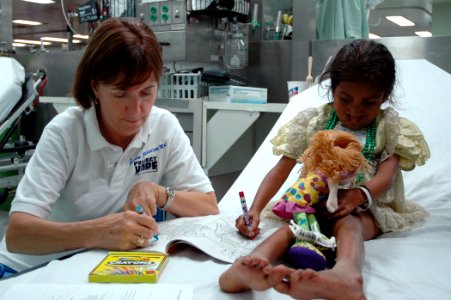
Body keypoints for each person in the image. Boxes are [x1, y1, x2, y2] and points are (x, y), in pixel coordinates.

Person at [0, 18, 219, 278]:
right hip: (31, 268)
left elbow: (208, 206)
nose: (136, 110)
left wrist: (159, 193)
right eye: (120, 94)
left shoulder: (163, 126)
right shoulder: (65, 133)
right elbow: (18, 235)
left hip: (97, 265)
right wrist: (98, 232)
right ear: (95, 87)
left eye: (146, 93)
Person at [219, 39, 430, 299]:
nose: (354, 112)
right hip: (314, 205)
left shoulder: (390, 127)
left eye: (369, 103)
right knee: (294, 228)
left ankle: (347, 274)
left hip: (365, 209)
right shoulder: (315, 122)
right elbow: (280, 170)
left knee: (347, 224)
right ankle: (251, 264)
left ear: (384, 96)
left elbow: (387, 176)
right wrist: (254, 210)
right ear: (333, 90)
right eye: (345, 99)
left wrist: (358, 195)